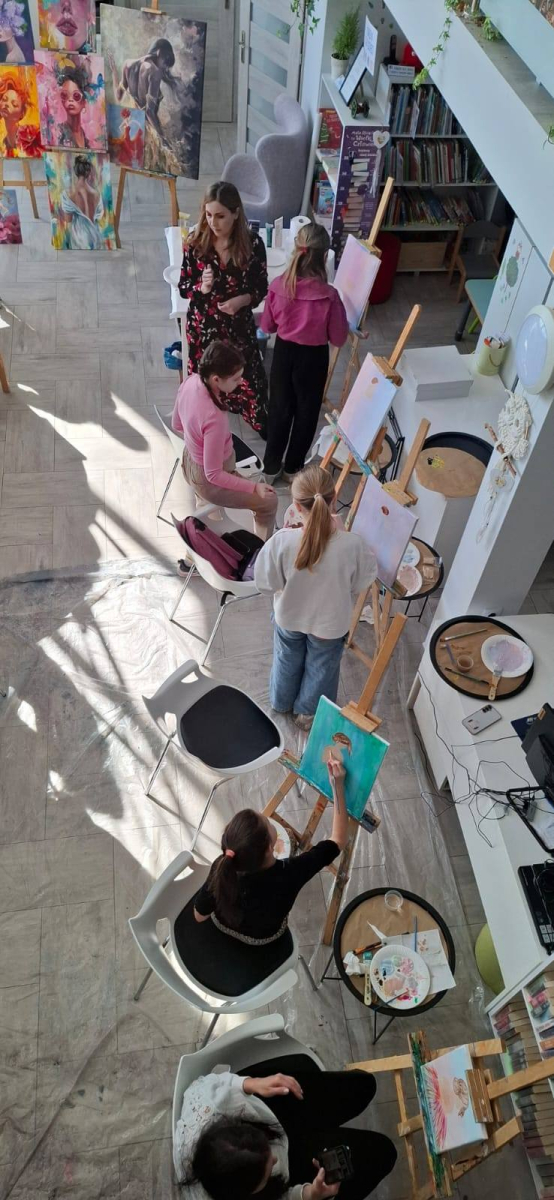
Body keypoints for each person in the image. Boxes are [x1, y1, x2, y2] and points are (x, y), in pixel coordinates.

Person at [174, 767, 346, 995]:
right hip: (263, 945)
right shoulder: (291, 873)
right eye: (268, 824)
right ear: (270, 847)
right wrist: (338, 787)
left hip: (217, 935)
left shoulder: (222, 867)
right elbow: (338, 840)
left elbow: (199, 915)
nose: (269, 820)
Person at [254, 465, 377, 730]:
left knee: (286, 658)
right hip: (330, 624)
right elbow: (361, 584)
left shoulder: (282, 541)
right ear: (334, 500)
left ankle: (281, 702)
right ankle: (308, 714)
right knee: (322, 667)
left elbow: (265, 584)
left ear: (296, 506)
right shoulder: (353, 544)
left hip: (289, 617)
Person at [174, 1062, 397, 1200]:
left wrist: (252, 1083)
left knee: (363, 1085)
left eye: (265, 1149)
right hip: (292, 1172)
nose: (274, 1159)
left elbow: (203, 1084)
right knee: (381, 1152)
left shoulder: (207, 1107)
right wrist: (310, 1194)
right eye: (267, 1171)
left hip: (268, 1110)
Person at [179, 181, 269, 434]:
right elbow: (184, 287)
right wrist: (202, 287)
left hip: (237, 327)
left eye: (220, 216)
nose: (213, 222)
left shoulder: (253, 244)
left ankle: (257, 422)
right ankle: (203, 426)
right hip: (204, 329)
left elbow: (261, 287)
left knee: (249, 379)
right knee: (205, 384)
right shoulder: (196, 243)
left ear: (236, 213)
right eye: (208, 214)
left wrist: (243, 300)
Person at [261, 223, 348, 482]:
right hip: (314, 359)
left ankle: (271, 467)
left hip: (283, 354)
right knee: (307, 414)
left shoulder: (278, 286)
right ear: (324, 256)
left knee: (279, 409)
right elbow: (339, 338)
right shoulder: (329, 296)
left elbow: (267, 327)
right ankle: (293, 468)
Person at [172, 340, 277, 541]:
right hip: (209, 479)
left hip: (189, 462)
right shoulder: (214, 417)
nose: (240, 381)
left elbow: (177, 424)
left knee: (210, 495)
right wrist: (253, 487)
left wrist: (198, 441)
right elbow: (213, 475)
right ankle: (262, 553)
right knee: (269, 501)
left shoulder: (190, 381)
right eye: (236, 378)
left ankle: (205, 520)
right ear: (216, 379)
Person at [108, 39, 177, 151]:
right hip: (147, 132)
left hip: (133, 127)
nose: (165, 68)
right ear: (159, 53)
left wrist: (114, 72)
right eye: (166, 63)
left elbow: (118, 96)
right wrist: (163, 139)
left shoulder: (127, 64)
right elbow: (149, 112)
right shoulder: (155, 72)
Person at [61, 154, 104, 250]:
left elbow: (68, 220)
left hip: (79, 238)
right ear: (88, 172)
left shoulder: (68, 194)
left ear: (76, 171)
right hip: (95, 237)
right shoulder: (97, 194)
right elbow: (99, 217)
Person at [0, 69, 41, 157]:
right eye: (4, 99)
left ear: (21, 114)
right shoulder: (4, 142)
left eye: (14, 104)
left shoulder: (29, 135)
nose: (6, 104)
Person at [55, 60, 93, 149]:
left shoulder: (83, 135)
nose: (70, 100)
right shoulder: (58, 133)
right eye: (65, 95)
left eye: (76, 96)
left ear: (84, 102)